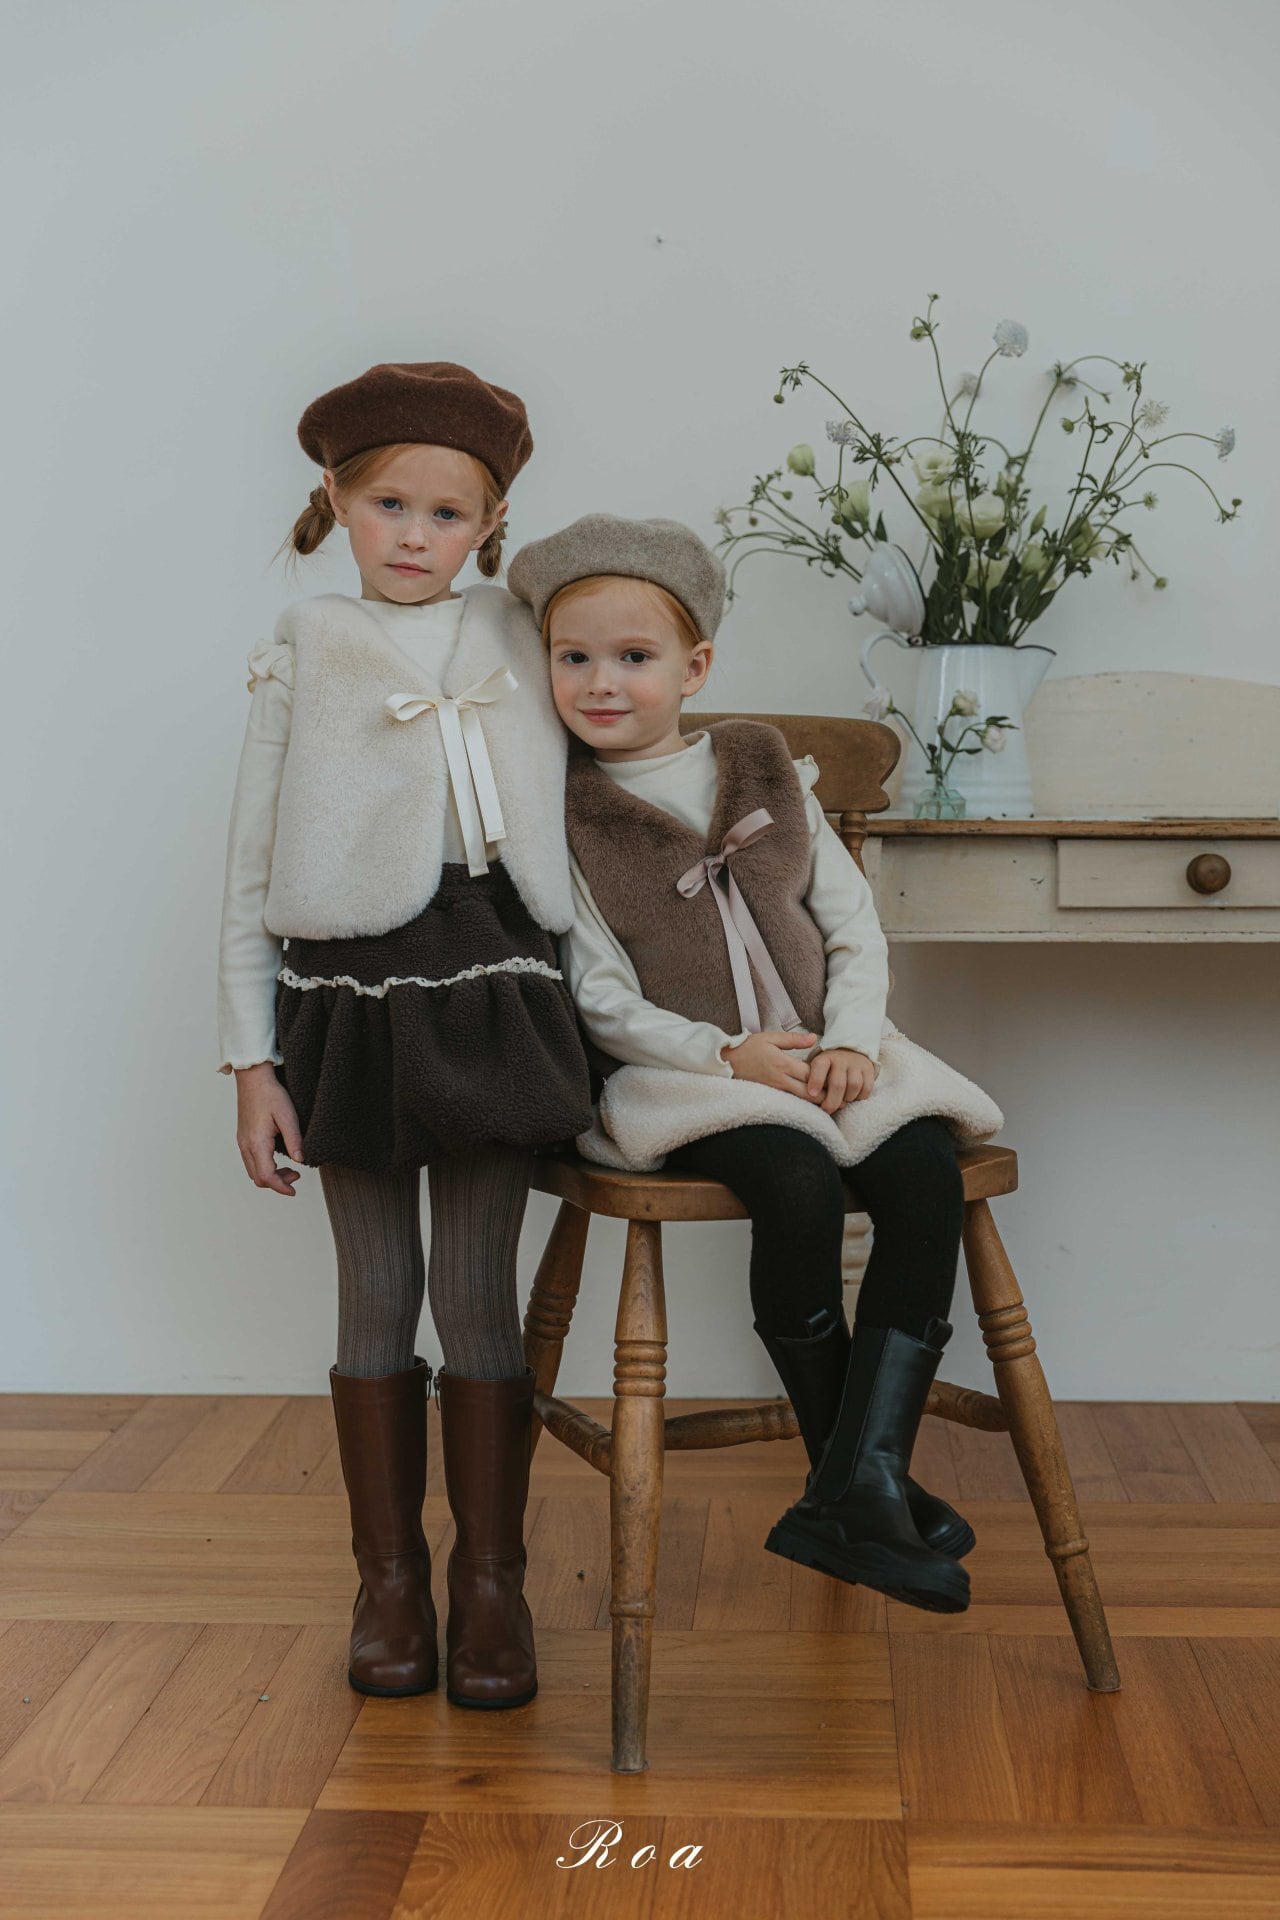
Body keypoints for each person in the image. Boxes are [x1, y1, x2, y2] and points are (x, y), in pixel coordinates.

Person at [508, 514, 1004, 1615]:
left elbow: (852, 927)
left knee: (922, 1176)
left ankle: (859, 1482)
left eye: (633, 657)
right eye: (573, 657)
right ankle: (858, 1483)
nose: (600, 682)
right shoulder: (566, 811)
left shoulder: (760, 765)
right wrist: (724, 1055)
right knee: (794, 1182)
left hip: (832, 1051)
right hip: (682, 1073)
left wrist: (851, 1041)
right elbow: (595, 993)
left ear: (693, 668)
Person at [216, 361, 592, 1707]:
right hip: (351, 997)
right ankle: (388, 1580)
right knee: (376, 1285)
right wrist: (249, 1060)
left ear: (491, 524)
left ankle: (492, 1577)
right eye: (389, 504)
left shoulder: (523, 630)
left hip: (496, 980)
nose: (416, 536)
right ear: (336, 497)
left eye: (448, 513)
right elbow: (251, 870)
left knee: (478, 1289)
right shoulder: (307, 643)